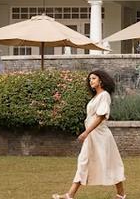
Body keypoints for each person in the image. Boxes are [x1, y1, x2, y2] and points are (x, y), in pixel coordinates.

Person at [54, 70, 125, 199]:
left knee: (110, 163)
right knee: (83, 162)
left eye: (93, 78)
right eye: (90, 79)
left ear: (101, 80)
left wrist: (86, 132)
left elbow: (100, 117)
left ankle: (121, 194)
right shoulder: (95, 97)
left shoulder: (104, 95)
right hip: (92, 136)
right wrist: (88, 133)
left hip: (100, 136)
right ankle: (70, 194)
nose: (90, 81)